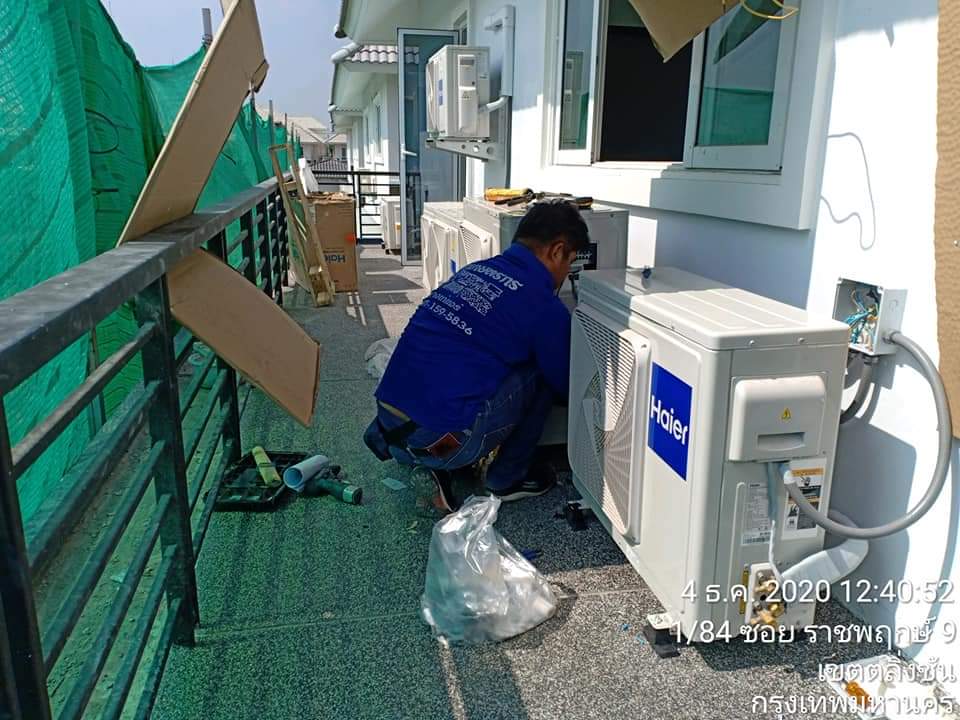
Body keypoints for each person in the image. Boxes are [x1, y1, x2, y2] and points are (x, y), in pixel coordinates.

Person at [363, 200, 589, 511]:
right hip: (443, 443)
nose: (566, 274)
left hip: (391, 432)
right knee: (542, 373)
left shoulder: (475, 271)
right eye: (570, 263)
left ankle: (435, 464)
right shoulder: (543, 305)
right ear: (557, 250)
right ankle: (506, 478)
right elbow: (565, 384)